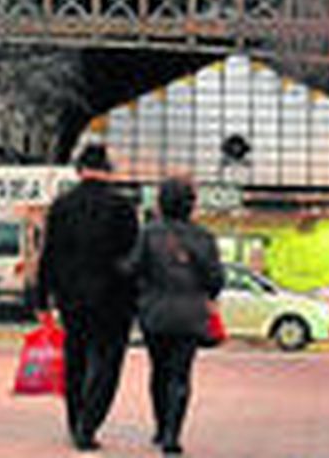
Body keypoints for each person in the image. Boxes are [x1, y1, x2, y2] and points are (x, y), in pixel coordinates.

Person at [36, 143, 140, 451]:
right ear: (108, 171)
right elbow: (133, 259)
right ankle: (89, 423)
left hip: (71, 299)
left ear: (79, 170)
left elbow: (48, 255)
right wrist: (136, 297)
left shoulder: (61, 206)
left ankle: (75, 419)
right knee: (108, 362)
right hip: (114, 299)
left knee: (76, 359)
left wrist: (41, 300)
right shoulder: (123, 208)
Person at [128, 177, 224, 456]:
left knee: (159, 371)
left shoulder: (149, 233)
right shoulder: (204, 237)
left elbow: (133, 268)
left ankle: (160, 427)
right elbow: (216, 279)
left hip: (155, 313)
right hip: (190, 315)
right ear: (191, 205)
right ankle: (173, 435)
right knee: (180, 374)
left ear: (161, 203)